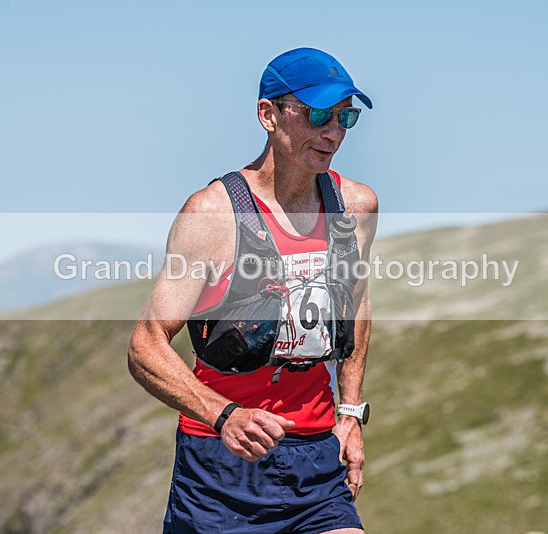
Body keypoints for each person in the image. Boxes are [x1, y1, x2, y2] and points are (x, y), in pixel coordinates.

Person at [128, 47, 378, 534]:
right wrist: (224, 416)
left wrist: (349, 411)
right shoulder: (212, 215)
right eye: (318, 113)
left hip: (316, 464)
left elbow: (357, 304)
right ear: (268, 115)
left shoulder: (356, 207)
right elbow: (144, 345)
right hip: (220, 466)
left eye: (345, 116)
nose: (333, 132)